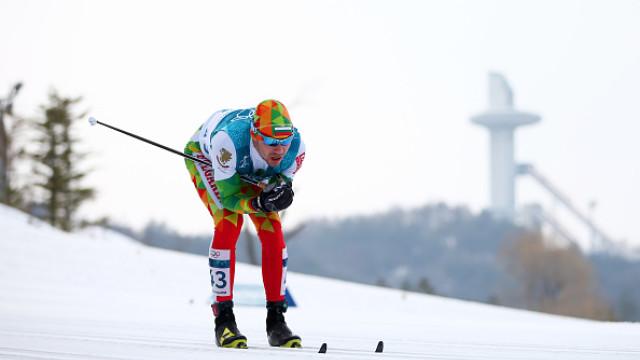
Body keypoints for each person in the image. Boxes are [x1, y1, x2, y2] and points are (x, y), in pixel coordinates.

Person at [184, 99, 306, 349]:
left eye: (284, 141)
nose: (279, 149)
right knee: (229, 223)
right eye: (271, 141)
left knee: (272, 232)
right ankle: (224, 321)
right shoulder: (227, 142)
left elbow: (280, 183)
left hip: (250, 167)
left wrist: (282, 192)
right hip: (208, 156)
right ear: (254, 135)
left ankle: (276, 322)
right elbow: (229, 199)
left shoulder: (297, 148)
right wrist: (258, 203)